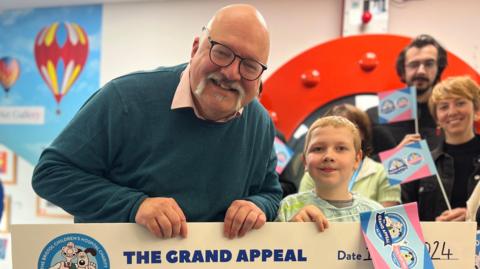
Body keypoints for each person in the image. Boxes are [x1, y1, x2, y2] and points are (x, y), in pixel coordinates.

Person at [31, 4, 282, 239]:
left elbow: (271, 193)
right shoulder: (125, 99)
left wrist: (255, 206)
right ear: (195, 49)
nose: (230, 72)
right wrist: (134, 206)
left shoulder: (260, 123)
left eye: (249, 66)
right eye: (221, 52)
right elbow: (51, 174)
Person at [276, 116, 383, 231]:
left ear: (357, 160)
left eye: (341, 148)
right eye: (318, 149)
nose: (328, 156)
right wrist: (289, 230)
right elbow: (272, 246)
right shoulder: (288, 207)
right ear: (305, 161)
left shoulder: (375, 214)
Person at [402, 76, 480, 221]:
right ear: (437, 118)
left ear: (476, 110)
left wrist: (473, 216)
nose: (452, 112)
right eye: (444, 106)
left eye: (460, 103)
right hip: (434, 243)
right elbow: (405, 216)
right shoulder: (419, 161)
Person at [298, 104, 400, 207]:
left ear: (362, 133)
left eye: (348, 125)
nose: (328, 156)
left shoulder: (384, 172)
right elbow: (301, 209)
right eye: (318, 149)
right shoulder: (314, 173)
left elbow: (388, 219)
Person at [367, 34, 448, 153]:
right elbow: (360, 165)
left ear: (438, 69)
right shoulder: (374, 117)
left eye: (429, 64)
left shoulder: (449, 116)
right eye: (414, 65)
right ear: (403, 71)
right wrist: (397, 156)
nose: (421, 71)